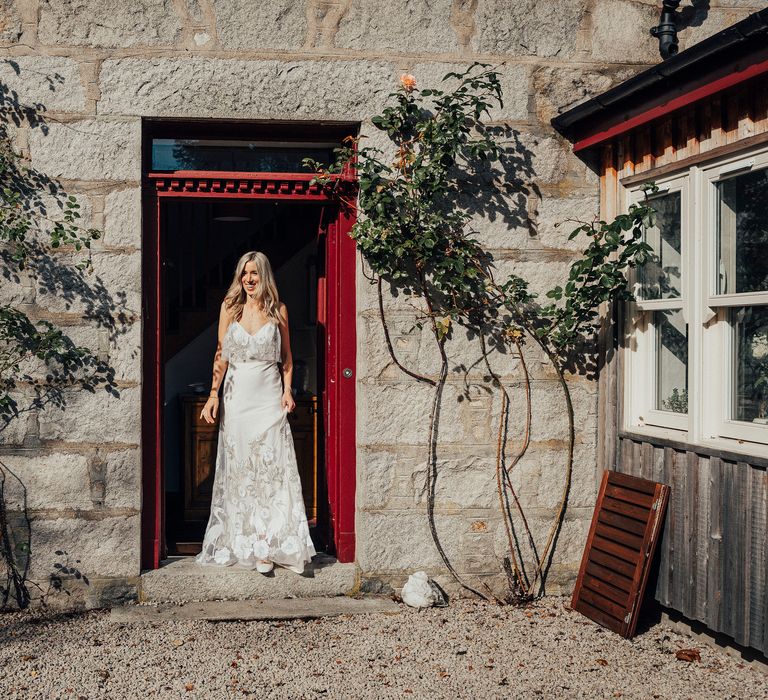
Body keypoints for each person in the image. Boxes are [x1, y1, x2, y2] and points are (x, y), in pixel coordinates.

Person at [195, 251, 316, 574]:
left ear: (264, 277)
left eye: (255, 274)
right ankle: (247, 541)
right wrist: (213, 395)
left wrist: (288, 391)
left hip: (268, 397)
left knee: (272, 469)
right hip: (237, 399)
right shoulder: (229, 309)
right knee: (242, 470)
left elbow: (287, 358)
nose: (249, 279)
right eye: (244, 274)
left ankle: (271, 543)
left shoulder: (279, 312)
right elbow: (220, 355)